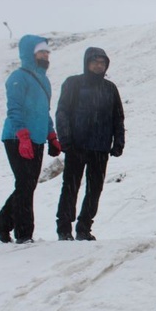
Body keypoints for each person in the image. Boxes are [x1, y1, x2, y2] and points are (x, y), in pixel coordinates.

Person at [54, 47, 125, 241]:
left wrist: (119, 141)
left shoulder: (110, 88)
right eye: (95, 62)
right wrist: (66, 139)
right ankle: (64, 228)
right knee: (70, 187)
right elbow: (62, 112)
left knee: (95, 189)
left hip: (100, 147)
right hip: (77, 145)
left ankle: (84, 227)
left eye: (102, 62)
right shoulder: (74, 83)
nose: (99, 65)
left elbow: (117, 117)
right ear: (87, 63)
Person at [0, 35, 60, 244]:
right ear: (30, 54)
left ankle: (2, 223)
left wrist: (51, 136)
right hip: (16, 138)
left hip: (36, 138)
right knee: (25, 183)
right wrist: (23, 136)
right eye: (41, 52)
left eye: (47, 52)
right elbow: (14, 110)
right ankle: (24, 234)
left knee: (28, 184)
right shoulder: (18, 77)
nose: (45, 55)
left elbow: (44, 111)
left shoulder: (44, 80)